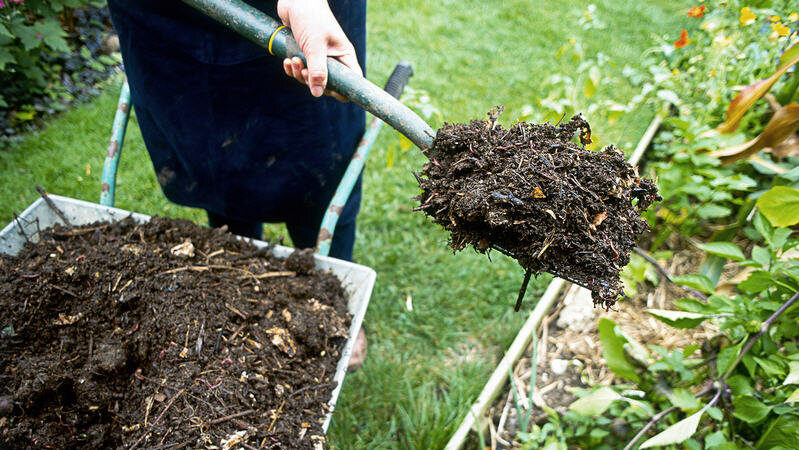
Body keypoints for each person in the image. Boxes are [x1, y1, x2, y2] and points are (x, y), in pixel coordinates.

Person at [106, 0, 367, 368]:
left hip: (304, 13)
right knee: (213, 159)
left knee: (323, 161)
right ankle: (241, 295)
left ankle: (335, 298)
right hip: (173, 20)